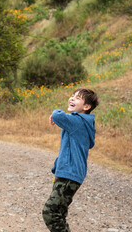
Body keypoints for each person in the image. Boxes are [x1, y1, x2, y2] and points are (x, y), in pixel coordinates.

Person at [42, 87, 99, 232]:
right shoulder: (82, 122)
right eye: (72, 96)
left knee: (50, 213)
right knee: (59, 213)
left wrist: (54, 115)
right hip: (69, 174)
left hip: (69, 173)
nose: (72, 98)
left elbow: (58, 115)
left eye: (77, 98)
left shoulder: (77, 121)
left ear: (86, 107)